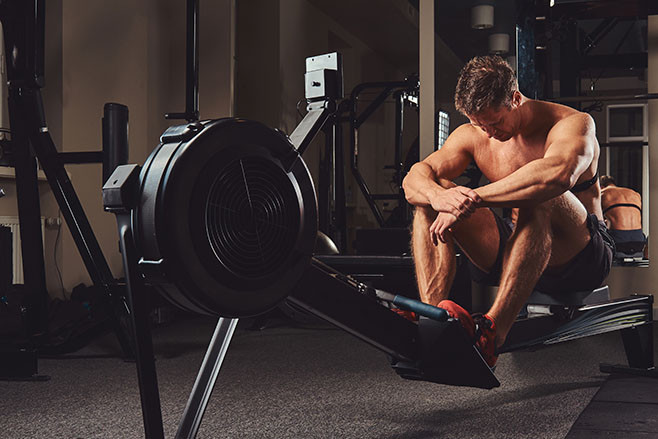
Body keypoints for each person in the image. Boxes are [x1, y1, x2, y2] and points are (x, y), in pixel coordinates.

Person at [402, 56, 614, 367]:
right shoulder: (473, 135)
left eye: (496, 122)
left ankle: (492, 336)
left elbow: (557, 176)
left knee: (539, 194)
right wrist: (438, 197)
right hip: (519, 249)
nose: (488, 132)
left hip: (582, 256)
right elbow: (414, 179)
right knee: (429, 198)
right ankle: (431, 319)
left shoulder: (572, 123)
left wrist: (468, 199)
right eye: (479, 124)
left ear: (515, 98)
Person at [599, 175, 647, 255]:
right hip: (639, 241)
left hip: (618, 242)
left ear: (601, 186)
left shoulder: (603, 194)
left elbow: (596, 219)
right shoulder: (634, 194)